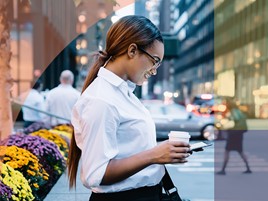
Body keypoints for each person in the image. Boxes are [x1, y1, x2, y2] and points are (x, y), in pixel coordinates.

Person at [67, 15, 191, 201]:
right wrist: (154, 155)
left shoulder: (123, 94)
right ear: (132, 50)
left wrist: (163, 154)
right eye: (154, 60)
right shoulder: (101, 100)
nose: (155, 69)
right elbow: (96, 174)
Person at [217, 98, 252, 175]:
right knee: (240, 151)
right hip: (239, 134)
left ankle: (223, 170)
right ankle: (248, 168)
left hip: (233, 134)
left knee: (227, 151)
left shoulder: (233, 112)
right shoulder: (239, 111)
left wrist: (224, 126)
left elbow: (232, 122)